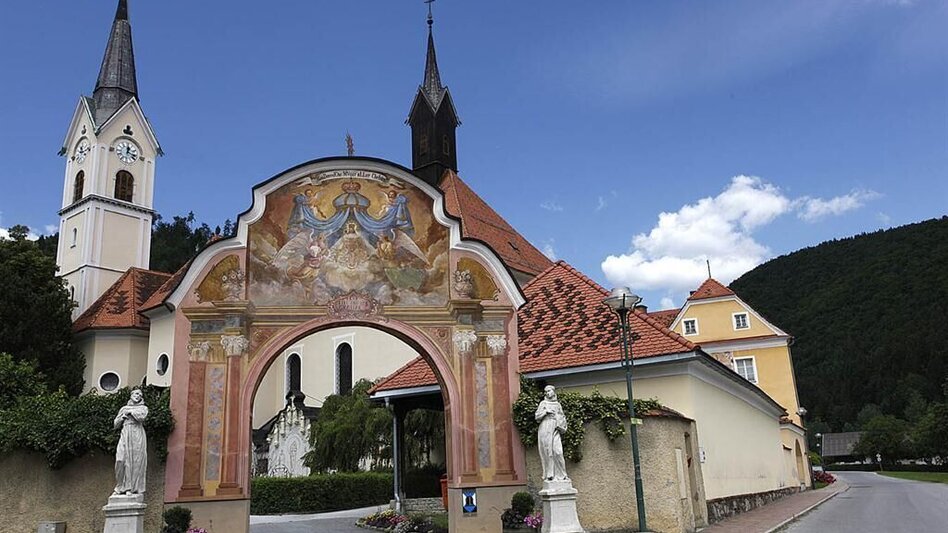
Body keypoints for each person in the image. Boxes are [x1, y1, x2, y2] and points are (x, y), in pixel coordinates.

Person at [113, 388, 149, 495]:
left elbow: (142, 418)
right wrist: (122, 418)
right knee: (121, 459)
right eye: (136, 393)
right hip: (125, 432)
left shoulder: (143, 408)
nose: (138, 396)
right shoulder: (124, 408)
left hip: (137, 433)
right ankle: (120, 486)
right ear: (131, 395)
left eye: (140, 395)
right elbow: (115, 424)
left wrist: (131, 412)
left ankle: (131, 488)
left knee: (135, 461)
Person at [535, 385, 569, 482]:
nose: (547, 393)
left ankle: (562, 475)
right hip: (545, 428)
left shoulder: (558, 405)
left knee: (558, 451)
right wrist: (545, 412)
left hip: (555, 428)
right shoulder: (543, 403)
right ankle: (550, 474)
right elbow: (537, 417)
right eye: (546, 392)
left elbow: (562, 417)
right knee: (548, 452)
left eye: (549, 391)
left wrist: (560, 424)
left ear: (553, 391)